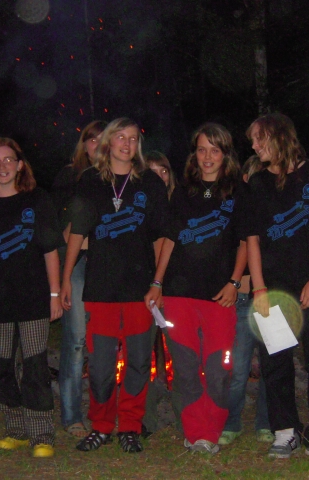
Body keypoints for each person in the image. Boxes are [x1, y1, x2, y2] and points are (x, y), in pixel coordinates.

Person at [60, 118, 169, 453]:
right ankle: (102, 426)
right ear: (108, 142)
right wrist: (66, 279)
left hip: (140, 289)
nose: (126, 144)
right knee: (101, 367)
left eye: (133, 138)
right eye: (120, 137)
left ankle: (131, 427)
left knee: (138, 362)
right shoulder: (91, 181)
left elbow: (164, 237)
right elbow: (77, 232)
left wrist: (158, 282)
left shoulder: (150, 183)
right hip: (101, 288)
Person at [145, 123, 247, 454]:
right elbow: (170, 240)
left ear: (225, 155)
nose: (207, 157)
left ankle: (211, 432)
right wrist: (157, 283)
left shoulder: (238, 192)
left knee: (218, 370)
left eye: (215, 150)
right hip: (179, 295)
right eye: (202, 149)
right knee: (186, 368)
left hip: (220, 296)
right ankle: (194, 433)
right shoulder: (183, 193)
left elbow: (246, 242)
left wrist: (234, 282)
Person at [245, 113, 309, 458]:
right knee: (276, 361)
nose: (254, 146)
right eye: (253, 140)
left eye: (259, 138)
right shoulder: (257, 183)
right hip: (273, 289)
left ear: (279, 137)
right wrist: (259, 289)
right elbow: (252, 239)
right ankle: (285, 431)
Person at [0, 137, 63, 458]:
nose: (2, 166)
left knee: (35, 368)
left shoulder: (37, 200)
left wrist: (54, 294)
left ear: (20, 164)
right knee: (0, 367)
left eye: (8, 159)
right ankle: (16, 429)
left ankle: (42, 434)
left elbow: (50, 251)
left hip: (33, 297)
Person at [51, 120, 106, 439]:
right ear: (83, 143)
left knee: (103, 342)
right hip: (76, 263)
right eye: (91, 139)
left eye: (103, 139)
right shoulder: (69, 176)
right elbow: (56, 223)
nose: (97, 144)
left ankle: (103, 411)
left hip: (107, 263)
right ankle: (71, 414)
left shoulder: (116, 177)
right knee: (75, 340)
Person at [219, 154, 273, 446]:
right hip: (242, 298)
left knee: (270, 366)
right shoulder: (235, 209)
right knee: (238, 369)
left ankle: (266, 422)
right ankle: (231, 422)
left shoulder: (276, 207)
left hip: (271, 297)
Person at [142, 150, 179, 437]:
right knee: (143, 356)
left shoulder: (180, 204)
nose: (158, 177)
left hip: (177, 288)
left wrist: (164, 284)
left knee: (180, 355)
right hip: (145, 289)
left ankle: (185, 418)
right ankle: (145, 420)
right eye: (152, 171)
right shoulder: (138, 206)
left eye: (163, 171)